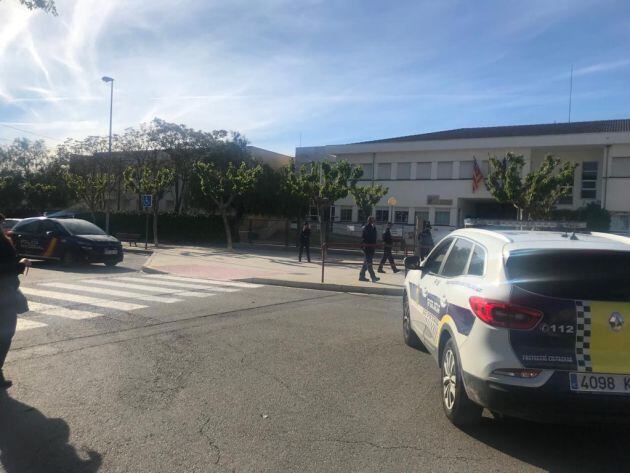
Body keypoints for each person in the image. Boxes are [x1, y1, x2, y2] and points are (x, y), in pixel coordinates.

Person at [0, 214, 31, 389]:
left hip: (6, 291)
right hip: (2, 295)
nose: (2, 225)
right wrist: (20, 265)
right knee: (5, 334)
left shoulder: (4, 239)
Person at [359, 216, 380, 282]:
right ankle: (373, 277)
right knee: (369, 263)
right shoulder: (367, 227)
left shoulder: (372, 227)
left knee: (366, 262)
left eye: (374, 221)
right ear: (370, 221)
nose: (375, 222)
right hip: (367, 247)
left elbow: (374, 237)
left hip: (371, 247)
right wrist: (373, 228)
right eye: (373, 221)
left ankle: (361, 276)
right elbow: (369, 237)